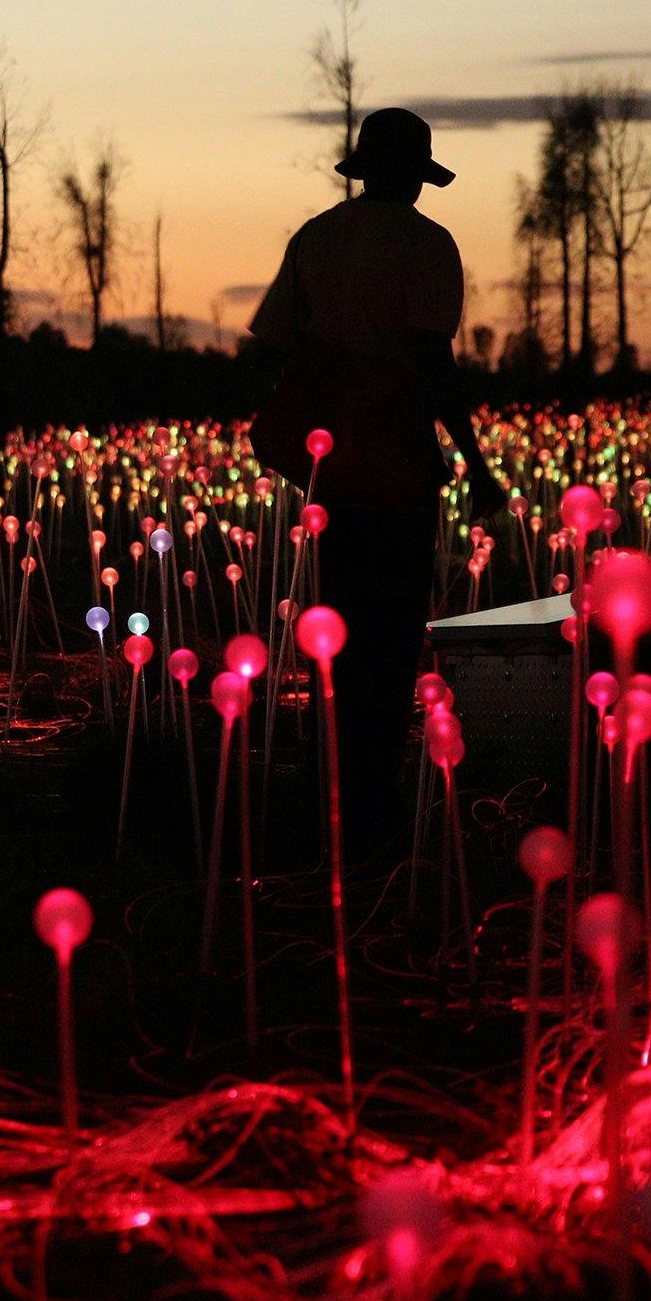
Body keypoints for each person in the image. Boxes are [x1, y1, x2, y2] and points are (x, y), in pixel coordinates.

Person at [242, 106, 497, 859]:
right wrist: (477, 464)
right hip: (395, 460)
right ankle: (371, 806)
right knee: (391, 633)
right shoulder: (427, 244)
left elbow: (272, 346)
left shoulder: (317, 237)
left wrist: (317, 406)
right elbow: (434, 364)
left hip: (333, 468)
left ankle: (328, 789)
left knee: (341, 624)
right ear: (415, 175)